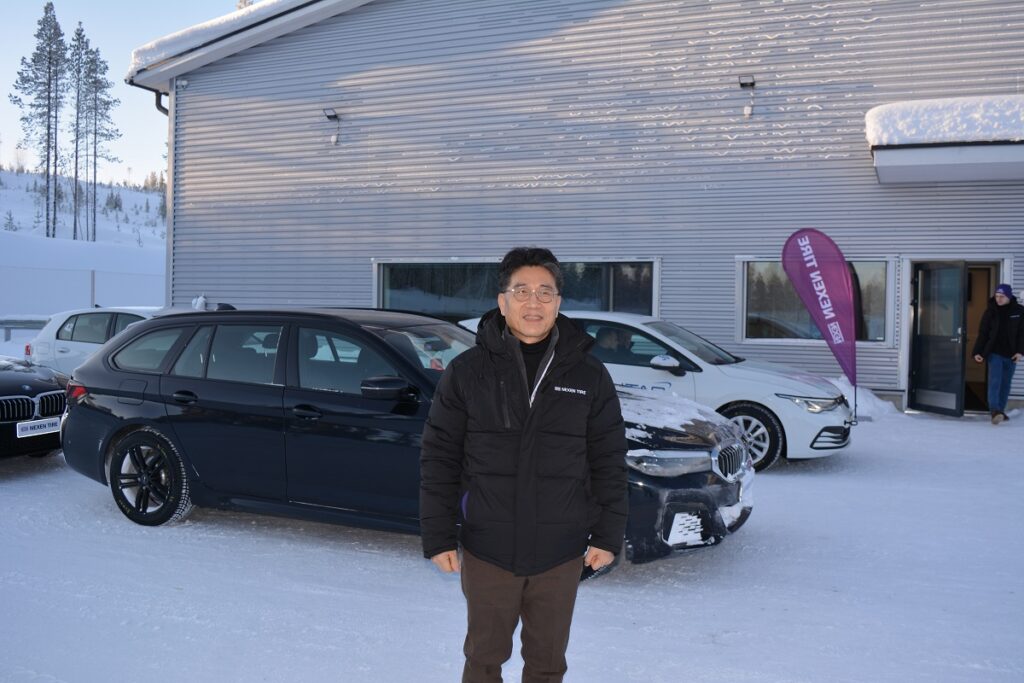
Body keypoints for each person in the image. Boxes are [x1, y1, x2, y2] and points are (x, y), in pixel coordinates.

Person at [420, 246, 628, 683]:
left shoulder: (589, 376)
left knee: (548, 664)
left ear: (558, 302)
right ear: (502, 301)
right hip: (488, 548)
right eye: (522, 291)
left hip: (560, 551)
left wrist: (608, 534)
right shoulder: (467, 372)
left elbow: (608, 459)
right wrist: (438, 536)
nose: (534, 302)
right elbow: (440, 457)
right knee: (483, 660)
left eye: (545, 292)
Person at [972, 283, 1024, 425]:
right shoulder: (990, 312)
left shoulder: (1019, 311)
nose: (999, 299)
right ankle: (995, 410)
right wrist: (977, 351)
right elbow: (983, 333)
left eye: (1002, 296)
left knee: (1006, 384)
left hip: (1012, 355)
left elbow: (1022, 334)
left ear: (1009, 297)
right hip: (994, 353)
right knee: (995, 381)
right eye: (997, 296)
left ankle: (1000, 410)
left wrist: (1020, 352)